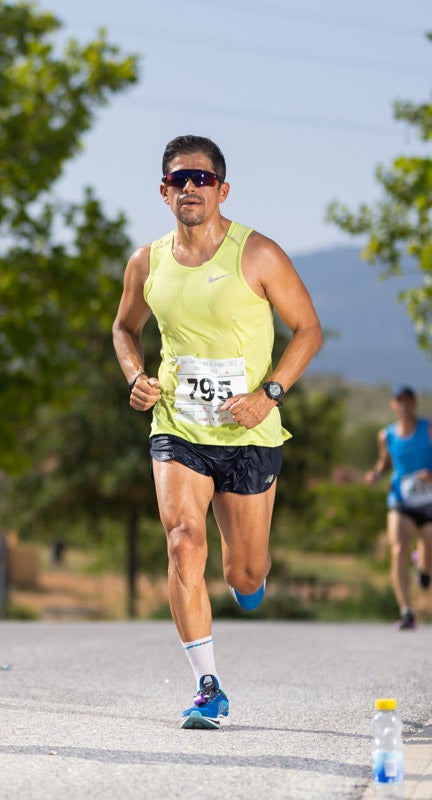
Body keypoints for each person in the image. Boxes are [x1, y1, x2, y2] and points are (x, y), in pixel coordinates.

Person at [111, 135, 322, 730]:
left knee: (243, 571)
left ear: (222, 190)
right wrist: (136, 376)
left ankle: (249, 581)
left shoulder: (258, 254)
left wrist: (269, 393)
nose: (190, 188)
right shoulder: (146, 263)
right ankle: (208, 687)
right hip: (178, 426)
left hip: (248, 432)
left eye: (201, 179)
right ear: (163, 191)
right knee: (183, 540)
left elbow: (308, 329)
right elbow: (124, 328)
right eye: (179, 179)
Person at [364, 385, 432, 630]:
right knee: (398, 550)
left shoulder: (428, 429)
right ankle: (406, 611)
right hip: (400, 499)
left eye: (407, 401)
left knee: (429, 545)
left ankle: (424, 568)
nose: (403, 406)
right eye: (398, 401)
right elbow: (384, 462)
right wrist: (375, 474)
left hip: (428, 500)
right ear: (393, 405)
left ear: (414, 403)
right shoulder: (386, 435)